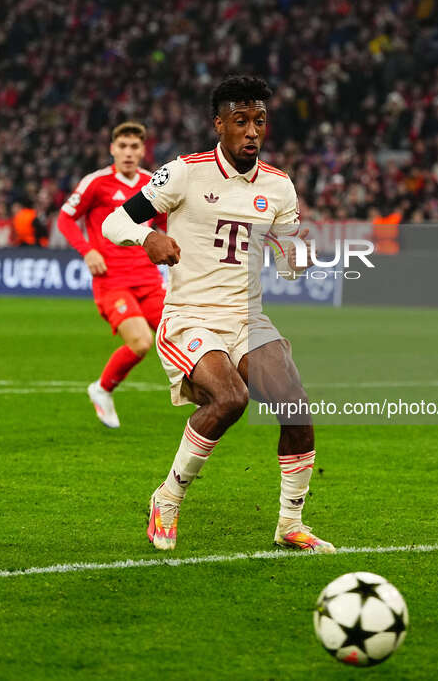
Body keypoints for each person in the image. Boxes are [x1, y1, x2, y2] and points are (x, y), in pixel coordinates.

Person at [102, 76, 334, 553]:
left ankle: (290, 523)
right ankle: (167, 499)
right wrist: (148, 238)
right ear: (220, 124)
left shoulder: (279, 185)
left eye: (260, 122)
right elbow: (115, 220)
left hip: (248, 318)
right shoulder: (184, 173)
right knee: (230, 399)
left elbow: (290, 262)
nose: (252, 131)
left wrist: (298, 260)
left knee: (297, 408)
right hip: (191, 316)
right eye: (242, 121)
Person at [58, 122, 166, 428]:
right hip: (112, 282)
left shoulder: (152, 184)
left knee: (181, 333)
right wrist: (87, 251)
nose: (128, 153)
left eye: (134, 147)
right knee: (142, 342)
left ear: (143, 150)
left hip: (149, 279)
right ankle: (102, 389)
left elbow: (167, 222)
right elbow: (65, 219)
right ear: (112, 149)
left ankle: (199, 391)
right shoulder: (96, 183)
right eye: (123, 146)